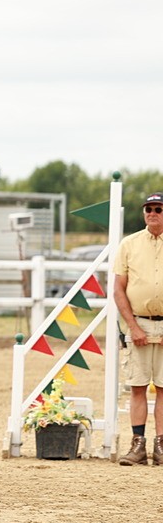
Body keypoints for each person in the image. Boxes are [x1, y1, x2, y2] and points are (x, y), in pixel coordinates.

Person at [116, 191, 163, 465]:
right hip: (139, 324)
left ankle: (161, 445)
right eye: (149, 209)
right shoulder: (129, 244)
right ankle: (138, 445)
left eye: (158, 209)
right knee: (137, 386)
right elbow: (119, 289)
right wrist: (132, 326)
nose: (153, 213)